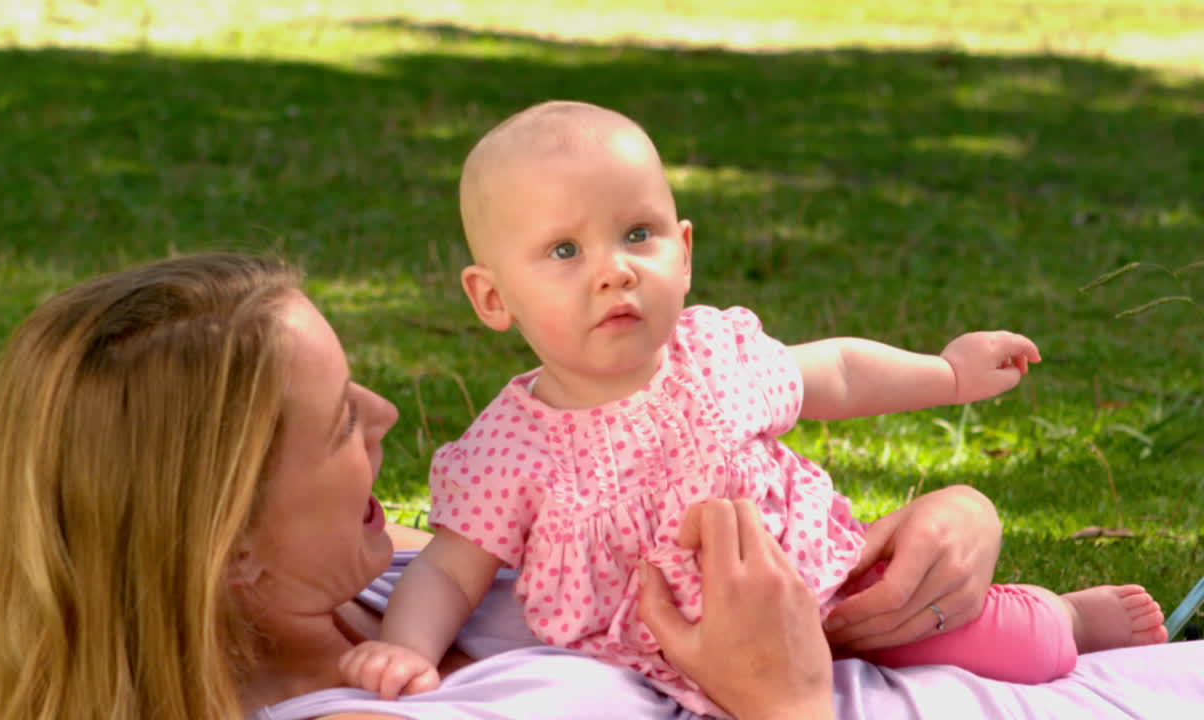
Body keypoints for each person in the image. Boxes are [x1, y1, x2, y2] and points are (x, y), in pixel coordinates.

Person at [0, 253, 1203, 720]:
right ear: (226, 553)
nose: (386, 416)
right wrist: (782, 702)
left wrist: (951, 519)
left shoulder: (380, 594)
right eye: (336, 428)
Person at [341, 101, 1168, 717]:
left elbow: (836, 371)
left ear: (686, 251)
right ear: (493, 297)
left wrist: (946, 375)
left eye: (638, 235)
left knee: (1010, 645)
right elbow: (449, 567)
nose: (614, 271)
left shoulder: (713, 358)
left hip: (829, 592)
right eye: (565, 250)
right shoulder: (509, 449)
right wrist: (403, 648)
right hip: (659, 663)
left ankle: (1066, 616)